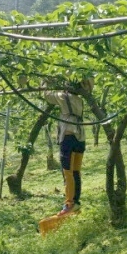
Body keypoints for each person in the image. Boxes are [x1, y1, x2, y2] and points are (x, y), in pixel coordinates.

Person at [44, 80, 90, 216]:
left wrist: (45, 82)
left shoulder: (63, 96)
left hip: (68, 138)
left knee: (68, 172)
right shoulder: (80, 100)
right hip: (80, 139)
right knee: (76, 171)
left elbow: (48, 96)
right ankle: (76, 201)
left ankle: (69, 203)